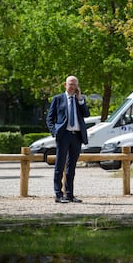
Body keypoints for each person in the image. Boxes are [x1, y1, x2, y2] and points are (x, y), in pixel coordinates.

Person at [46, 75, 90, 203]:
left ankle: (69, 194)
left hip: (76, 136)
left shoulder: (80, 100)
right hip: (63, 135)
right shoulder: (58, 99)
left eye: (75, 84)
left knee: (72, 167)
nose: (72, 87)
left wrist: (80, 99)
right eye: (70, 84)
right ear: (65, 85)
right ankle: (58, 194)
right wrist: (55, 132)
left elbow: (86, 114)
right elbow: (49, 118)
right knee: (59, 165)